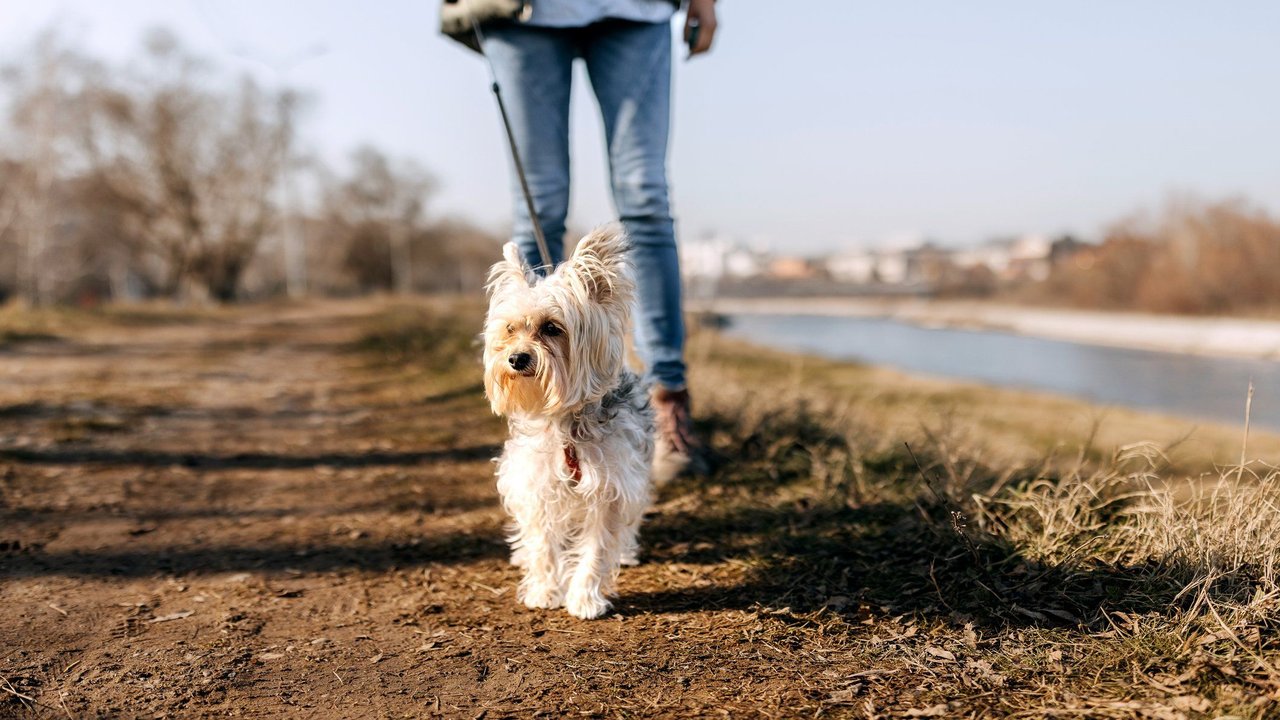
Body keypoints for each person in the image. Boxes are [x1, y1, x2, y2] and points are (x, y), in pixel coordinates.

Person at [443, 0, 717, 480]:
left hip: (636, 10)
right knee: (538, 205)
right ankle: (539, 421)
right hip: (520, 13)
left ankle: (666, 400)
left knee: (645, 198)